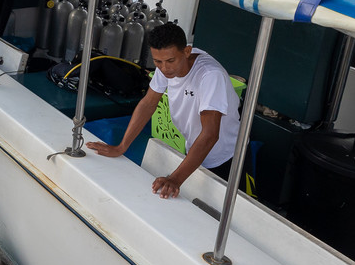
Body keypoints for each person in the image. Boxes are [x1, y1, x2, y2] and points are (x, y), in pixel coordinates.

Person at [86, 22, 241, 199]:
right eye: (157, 61)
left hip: (227, 159)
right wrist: (122, 146)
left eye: (170, 61)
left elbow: (210, 135)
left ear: (187, 52)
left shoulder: (210, 76)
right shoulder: (167, 65)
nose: (164, 68)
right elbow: (148, 104)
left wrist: (175, 179)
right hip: (195, 151)